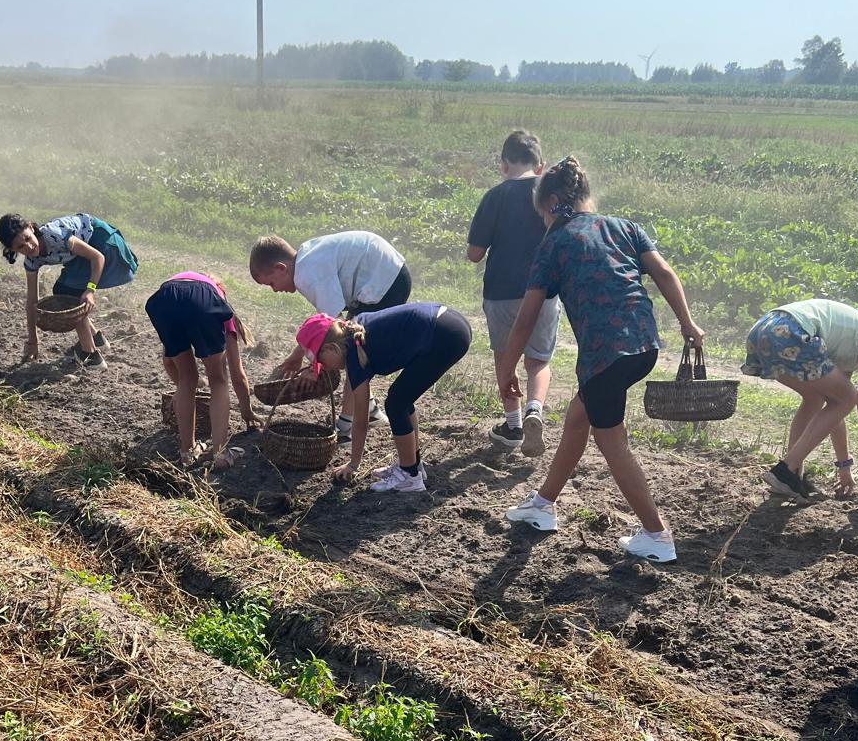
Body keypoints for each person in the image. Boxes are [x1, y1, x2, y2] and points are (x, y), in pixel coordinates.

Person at [500, 156, 703, 565]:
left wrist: (505, 370)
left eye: (542, 213)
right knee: (579, 418)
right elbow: (664, 273)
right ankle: (543, 504)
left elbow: (525, 318)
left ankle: (656, 535)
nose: (543, 220)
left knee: (612, 442)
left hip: (605, 355)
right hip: (644, 344)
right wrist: (688, 323)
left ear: (552, 203)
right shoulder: (623, 227)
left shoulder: (554, 242)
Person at [295, 303, 472, 494]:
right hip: (449, 322)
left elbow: (361, 421)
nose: (323, 366)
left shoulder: (354, 355)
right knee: (402, 398)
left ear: (331, 348)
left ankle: (410, 476)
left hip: (444, 336)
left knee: (396, 403)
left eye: (320, 361)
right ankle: (413, 465)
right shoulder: (352, 333)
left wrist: (353, 464)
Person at [249, 230, 411, 438]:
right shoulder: (305, 260)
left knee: (352, 350)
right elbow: (326, 325)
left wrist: (314, 367)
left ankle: (346, 426)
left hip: (386, 282)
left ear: (281, 268)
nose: (274, 290)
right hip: (387, 274)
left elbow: (331, 331)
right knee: (350, 344)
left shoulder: (308, 274)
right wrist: (298, 355)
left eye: (271, 283)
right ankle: (370, 411)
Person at [740, 301, 858, 500]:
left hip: (764, 330)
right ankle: (786, 471)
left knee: (815, 399)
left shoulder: (851, 345)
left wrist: (844, 466)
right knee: (848, 397)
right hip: (788, 331)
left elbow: (835, 413)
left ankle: (792, 474)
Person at [466, 128, 560, 457]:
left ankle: (513, 426)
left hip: (501, 293)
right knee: (538, 361)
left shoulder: (495, 195)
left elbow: (475, 254)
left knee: (505, 358)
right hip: (544, 292)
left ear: (504, 164)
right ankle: (535, 409)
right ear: (540, 165)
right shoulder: (551, 195)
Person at [0, 212, 137, 369]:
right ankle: (96, 339)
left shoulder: (55, 236)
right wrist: (33, 341)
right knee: (64, 291)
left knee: (66, 292)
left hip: (106, 246)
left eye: (28, 239)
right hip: (85, 256)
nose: (29, 247)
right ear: (11, 249)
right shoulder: (31, 261)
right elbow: (32, 302)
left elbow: (98, 257)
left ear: (31, 228)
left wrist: (90, 290)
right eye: (20, 247)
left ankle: (91, 355)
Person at [145, 272, 255, 469]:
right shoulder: (215, 301)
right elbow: (237, 374)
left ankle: (187, 452)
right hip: (195, 300)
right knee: (218, 380)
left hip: (162, 299)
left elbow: (168, 362)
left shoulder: (180, 286)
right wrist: (247, 411)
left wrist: (180, 389)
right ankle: (220, 454)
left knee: (187, 379)